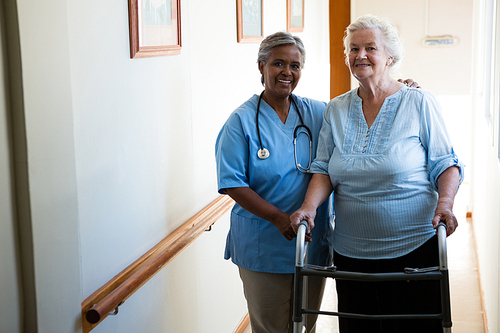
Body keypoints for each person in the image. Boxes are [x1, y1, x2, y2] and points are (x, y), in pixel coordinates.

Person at [290, 14, 464, 333]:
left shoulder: (419, 102)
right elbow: (324, 169)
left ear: (390, 56)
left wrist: (445, 204)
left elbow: (446, 163)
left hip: (413, 250)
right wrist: (309, 207)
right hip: (351, 254)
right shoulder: (336, 110)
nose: (361, 55)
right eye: (354, 49)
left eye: (371, 47)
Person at [215, 31, 335, 333]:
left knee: (306, 325)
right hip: (263, 245)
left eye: (295, 66)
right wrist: (277, 218)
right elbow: (232, 183)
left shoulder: (317, 112)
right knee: (272, 328)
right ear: (261, 66)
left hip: (311, 241)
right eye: (278, 64)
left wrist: (402, 89)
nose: (287, 72)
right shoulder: (240, 122)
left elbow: (359, 107)